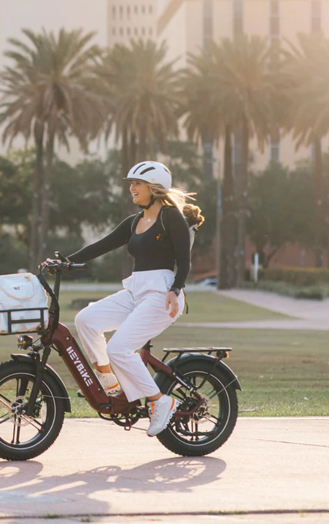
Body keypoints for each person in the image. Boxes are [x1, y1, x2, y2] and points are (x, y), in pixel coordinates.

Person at [64, 161, 205, 436]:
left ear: (154, 188)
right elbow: (101, 245)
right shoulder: (134, 222)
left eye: (137, 184)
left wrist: (176, 289)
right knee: (86, 320)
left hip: (161, 295)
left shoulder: (170, 217)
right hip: (135, 292)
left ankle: (159, 401)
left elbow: (184, 260)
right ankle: (110, 383)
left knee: (118, 348)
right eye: (131, 183)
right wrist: (65, 262)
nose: (132, 188)